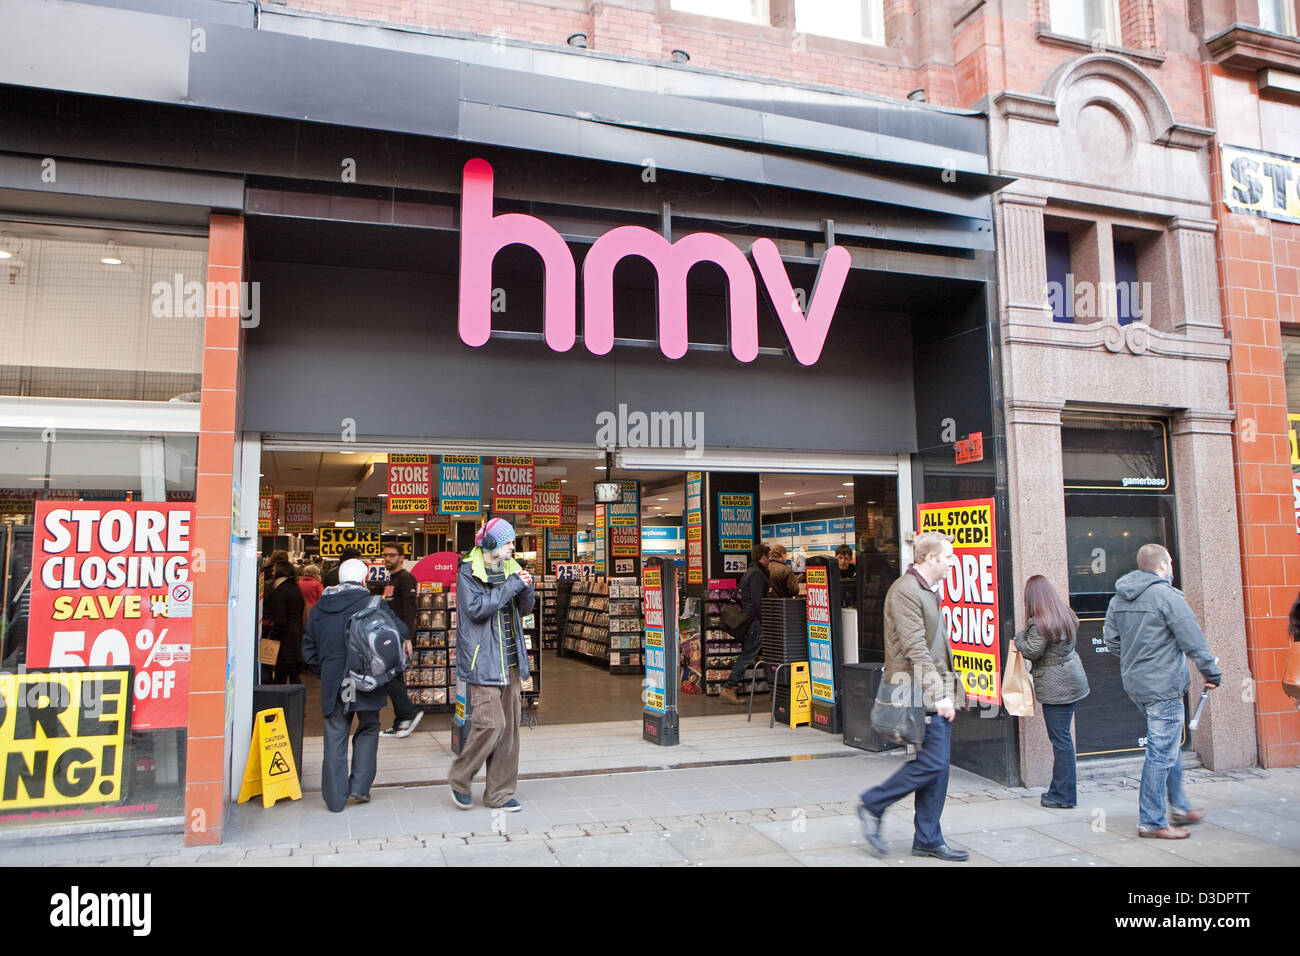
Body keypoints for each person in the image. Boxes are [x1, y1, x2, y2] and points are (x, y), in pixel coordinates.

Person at [859, 531, 968, 861]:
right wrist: (940, 696)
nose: (953, 562)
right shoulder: (905, 591)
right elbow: (916, 650)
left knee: (939, 767)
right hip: (918, 691)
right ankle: (873, 803)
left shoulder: (925, 590)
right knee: (934, 762)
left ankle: (928, 838)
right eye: (948, 557)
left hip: (933, 689)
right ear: (931, 558)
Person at [1103, 543, 1221, 839]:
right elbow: (1194, 641)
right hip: (1164, 685)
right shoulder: (1168, 597)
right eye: (1170, 562)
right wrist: (1211, 672)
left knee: (1167, 745)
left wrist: (1138, 662)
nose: (1172, 566)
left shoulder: (1119, 598)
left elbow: (1113, 641)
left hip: (1137, 684)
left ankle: (1179, 806)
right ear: (1163, 565)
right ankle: (1152, 821)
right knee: (1161, 752)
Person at [448, 518, 535, 812]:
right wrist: (512, 586)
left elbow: (523, 610)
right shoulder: (468, 572)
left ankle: (499, 793)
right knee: (490, 725)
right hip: (482, 662)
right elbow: (476, 609)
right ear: (490, 545)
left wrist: (526, 590)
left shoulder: (511, 568)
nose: (513, 547)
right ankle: (460, 777)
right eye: (508, 542)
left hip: (510, 661)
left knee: (509, 730)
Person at [303, 558, 402, 811]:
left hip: (336, 681)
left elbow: (308, 650)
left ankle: (335, 800)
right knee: (368, 726)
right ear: (363, 579)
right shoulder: (374, 603)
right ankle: (359, 787)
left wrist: (325, 669)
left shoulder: (319, 608)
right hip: (366, 679)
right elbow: (397, 631)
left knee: (336, 732)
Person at [1014, 575, 1090, 809]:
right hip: (1071, 678)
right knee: (1063, 738)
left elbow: (1031, 650)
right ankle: (1062, 791)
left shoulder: (1040, 622)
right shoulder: (1065, 613)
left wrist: (1018, 637)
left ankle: (1063, 795)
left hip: (1056, 683)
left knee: (1061, 740)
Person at [378, 543, 423, 738]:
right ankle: (400, 723)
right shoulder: (391, 579)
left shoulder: (406, 579)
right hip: (388, 636)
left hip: (399, 637)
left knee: (391, 677)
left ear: (402, 557)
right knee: (392, 677)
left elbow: (409, 610)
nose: (387, 558)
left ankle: (408, 714)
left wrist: (408, 638)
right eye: (385, 555)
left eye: (391, 555)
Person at [719, 544, 770, 705]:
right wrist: (764, 620)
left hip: (751, 620)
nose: (769, 561)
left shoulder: (751, 571)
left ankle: (775, 688)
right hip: (755, 622)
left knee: (765, 655)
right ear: (763, 557)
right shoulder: (757, 574)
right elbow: (757, 601)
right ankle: (729, 687)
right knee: (748, 655)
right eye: (769, 557)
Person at [262, 560, 304, 684]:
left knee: (280, 676)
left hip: (284, 640)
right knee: (293, 674)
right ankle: (297, 701)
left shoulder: (280, 591)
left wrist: (274, 636)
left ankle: (280, 701)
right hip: (295, 636)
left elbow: (280, 618)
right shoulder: (295, 589)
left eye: (274, 570)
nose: (272, 572)